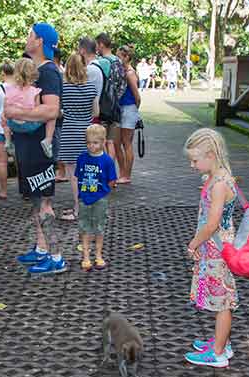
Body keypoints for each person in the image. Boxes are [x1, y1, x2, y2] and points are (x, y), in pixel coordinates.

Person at [4, 23, 65, 275]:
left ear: (39, 41)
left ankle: (57, 256)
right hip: (28, 145)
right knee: (35, 200)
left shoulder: (48, 72)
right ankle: (42, 248)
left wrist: (16, 112)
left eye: (30, 35)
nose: (26, 39)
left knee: (45, 203)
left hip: (42, 148)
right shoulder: (34, 70)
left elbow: (52, 109)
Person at [183, 128, 239, 368]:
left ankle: (217, 354)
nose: (192, 166)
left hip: (217, 251)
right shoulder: (222, 176)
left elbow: (212, 223)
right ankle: (221, 342)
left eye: (195, 160)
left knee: (222, 302)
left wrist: (195, 242)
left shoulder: (218, 185)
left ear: (211, 155)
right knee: (221, 299)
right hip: (219, 247)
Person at [56, 53, 98, 222]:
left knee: (73, 174)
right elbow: (96, 112)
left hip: (69, 132)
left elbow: (58, 111)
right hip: (87, 132)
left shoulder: (64, 88)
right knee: (89, 172)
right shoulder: (91, 88)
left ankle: (78, 209)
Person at [76, 124, 117, 272]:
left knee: (99, 227)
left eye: (95, 143)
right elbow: (78, 177)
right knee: (84, 227)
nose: (91, 146)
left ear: (103, 142)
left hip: (100, 198)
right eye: (88, 143)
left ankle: (98, 255)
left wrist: (104, 193)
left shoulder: (107, 161)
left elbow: (112, 180)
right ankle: (86, 256)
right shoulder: (82, 158)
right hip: (84, 198)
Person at [4, 58, 57, 160]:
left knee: (4, 118)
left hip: (13, 125)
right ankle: (48, 140)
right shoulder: (34, 91)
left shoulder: (9, 89)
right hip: (29, 125)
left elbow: (6, 106)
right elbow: (36, 110)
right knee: (52, 113)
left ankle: (8, 140)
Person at [116, 45, 141, 185]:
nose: (117, 59)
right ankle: (122, 172)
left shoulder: (130, 73)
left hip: (128, 108)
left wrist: (135, 111)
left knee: (126, 143)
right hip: (122, 109)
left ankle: (127, 174)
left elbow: (137, 96)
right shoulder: (122, 71)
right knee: (117, 143)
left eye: (119, 56)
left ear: (126, 57)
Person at [0, 61, 14, 200]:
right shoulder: (20, 87)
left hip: (0, 127)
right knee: (21, 161)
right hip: (16, 127)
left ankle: (4, 191)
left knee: (2, 161)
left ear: (3, 73)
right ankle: (25, 190)